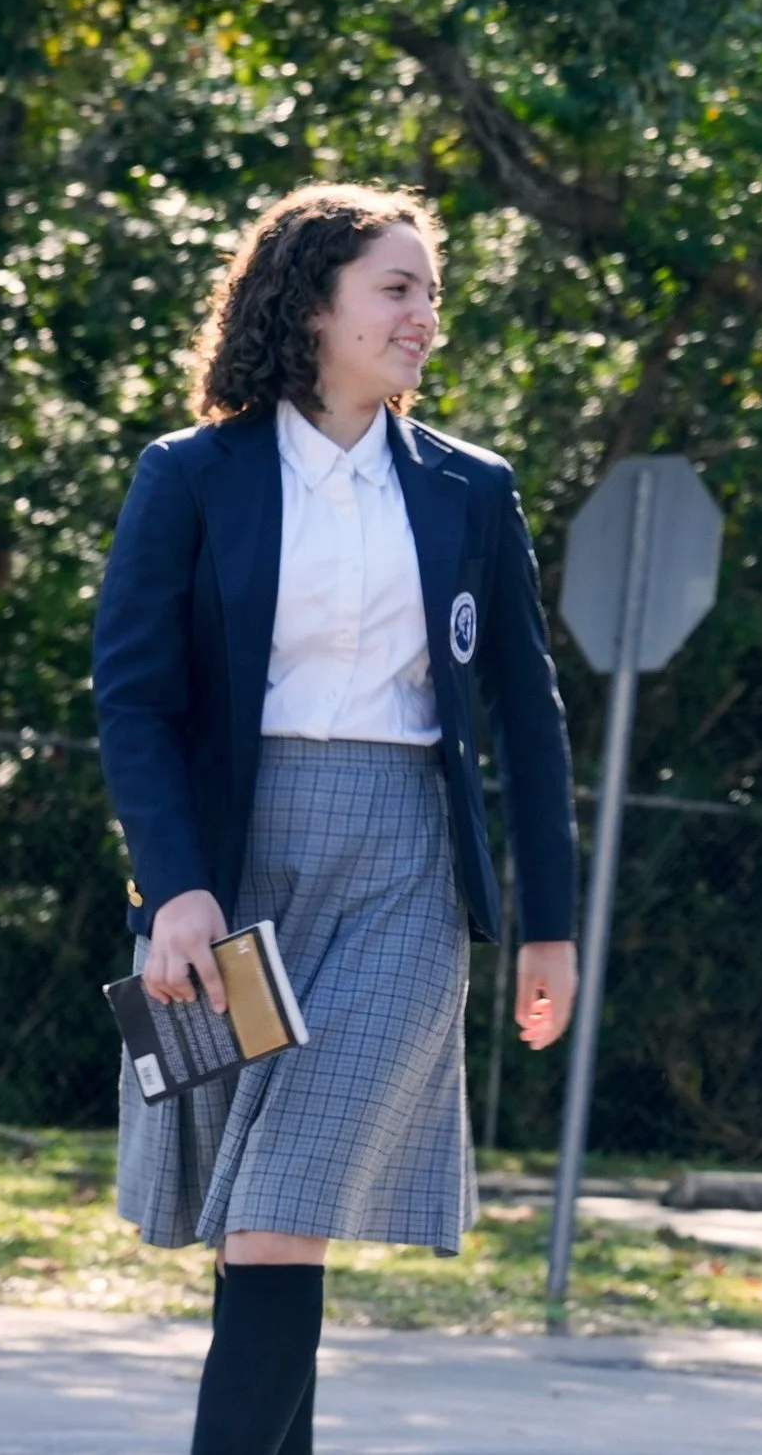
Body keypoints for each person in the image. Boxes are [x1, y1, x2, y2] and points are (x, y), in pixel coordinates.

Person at [93, 184, 580, 1455]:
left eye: (432, 290)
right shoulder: (191, 476)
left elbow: (528, 720)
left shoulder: (472, 491)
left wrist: (549, 926)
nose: (427, 315)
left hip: (406, 872)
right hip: (234, 872)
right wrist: (175, 887)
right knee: (261, 1219)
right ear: (314, 306)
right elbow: (135, 702)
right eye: (398, 289)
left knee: (284, 1202)